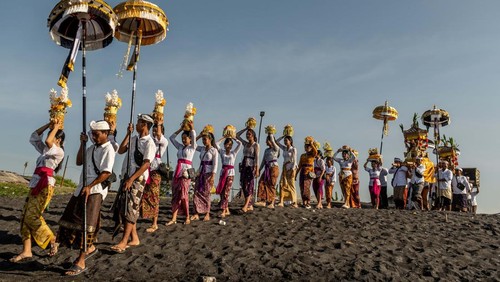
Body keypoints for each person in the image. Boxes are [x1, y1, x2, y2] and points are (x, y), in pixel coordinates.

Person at [57, 120, 115, 275]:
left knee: (87, 224)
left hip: (95, 190)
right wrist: (82, 144)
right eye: (92, 135)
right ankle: (90, 248)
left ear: (105, 134)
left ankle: (81, 261)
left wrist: (90, 186)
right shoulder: (90, 148)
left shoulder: (109, 149)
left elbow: (106, 173)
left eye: (97, 134)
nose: (94, 137)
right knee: (71, 217)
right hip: (82, 188)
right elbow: (79, 161)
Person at [10, 121, 65, 263]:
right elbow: (34, 137)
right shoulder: (45, 151)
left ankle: (52, 238)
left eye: (53, 136)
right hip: (36, 183)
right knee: (25, 216)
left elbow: (47, 141)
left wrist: (57, 127)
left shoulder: (59, 152)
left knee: (32, 216)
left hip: (45, 185)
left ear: (58, 140)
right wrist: (49, 124)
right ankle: (26, 250)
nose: (50, 137)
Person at [112, 114, 155, 253]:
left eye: (138, 123)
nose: (136, 125)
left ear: (144, 125)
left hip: (137, 178)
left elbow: (146, 164)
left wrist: (132, 179)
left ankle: (124, 241)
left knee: (131, 207)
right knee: (126, 206)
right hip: (127, 176)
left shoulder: (150, 143)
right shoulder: (134, 138)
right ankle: (134, 238)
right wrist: (127, 134)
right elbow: (121, 150)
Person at [166, 121, 197, 225]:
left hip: (186, 172)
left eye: (186, 138)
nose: (183, 140)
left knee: (184, 195)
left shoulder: (192, 147)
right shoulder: (180, 147)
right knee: (175, 195)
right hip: (177, 172)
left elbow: (193, 136)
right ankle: (174, 218)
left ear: (190, 139)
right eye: (182, 138)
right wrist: (180, 129)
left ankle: (187, 216)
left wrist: (192, 128)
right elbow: (171, 138)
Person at [140, 123, 168, 233]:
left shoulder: (163, 142)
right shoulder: (150, 141)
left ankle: (155, 223)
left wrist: (160, 122)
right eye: (154, 130)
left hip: (156, 171)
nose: (155, 132)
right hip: (147, 170)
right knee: (145, 194)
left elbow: (160, 137)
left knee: (154, 196)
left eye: (157, 130)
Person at [192, 132, 218, 222]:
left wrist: (213, 176)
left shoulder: (213, 150)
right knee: (196, 191)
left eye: (205, 139)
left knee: (206, 193)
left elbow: (215, 164)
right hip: (200, 172)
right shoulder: (202, 149)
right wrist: (199, 135)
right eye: (203, 139)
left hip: (208, 173)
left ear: (210, 139)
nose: (203, 141)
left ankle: (207, 213)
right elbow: (193, 144)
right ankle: (196, 213)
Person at [215, 136, 242, 217]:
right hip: (223, 172)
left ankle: (223, 211)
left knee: (226, 192)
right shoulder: (222, 152)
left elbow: (240, 144)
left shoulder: (233, 153)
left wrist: (233, 137)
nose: (229, 146)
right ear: (224, 145)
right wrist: (224, 137)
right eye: (227, 144)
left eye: (230, 145)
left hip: (230, 173)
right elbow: (216, 143)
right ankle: (226, 209)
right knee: (222, 191)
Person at [236, 126, 260, 213]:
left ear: (253, 135)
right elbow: (237, 135)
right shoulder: (245, 144)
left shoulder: (255, 145)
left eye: (249, 134)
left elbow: (257, 157)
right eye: (247, 134)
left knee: (249, 185)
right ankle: (249, 204)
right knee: (243, 184)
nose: (247, 135)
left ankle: (246, 206)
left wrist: (257, 168)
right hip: (244, 165)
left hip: (251, 166)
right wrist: (246, 128)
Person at [256, 134, 280, 208]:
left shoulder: (276, 148)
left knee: (271, 184)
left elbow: (273, 141)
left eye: (267, 140)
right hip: (267, 168)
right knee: (262, 182)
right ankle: (263, 200)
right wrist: (259, 169)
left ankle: (271, 202)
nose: (266, 142)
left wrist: (271, 134)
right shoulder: (266, 150)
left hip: (274, 167)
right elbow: (264, 160)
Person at [276, 135, 298, 208]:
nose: (285, 142)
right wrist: (283, 136)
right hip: (285, 167)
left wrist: (293, 170)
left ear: (290, 141)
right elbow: (276, 142)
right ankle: (281, 201)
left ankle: (294, 202)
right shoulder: (284, 148)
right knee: (282, 183)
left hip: (291, 167)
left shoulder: (293, 149)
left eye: (286, 140)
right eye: (284, 140)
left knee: (291, 185)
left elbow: (295, 161)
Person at [296, 137, 318, 209]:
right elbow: (299, 165)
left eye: (308, 147)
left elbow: (316, 152)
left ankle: (308, 202)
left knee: (307, 187)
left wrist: (312, 144)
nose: (306, 148)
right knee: (301, 186)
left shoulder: (312, 155)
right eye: (305, 146)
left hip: (309, 172)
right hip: (302, 171)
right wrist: (296, 174)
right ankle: (304, 202)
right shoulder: (302, 155)